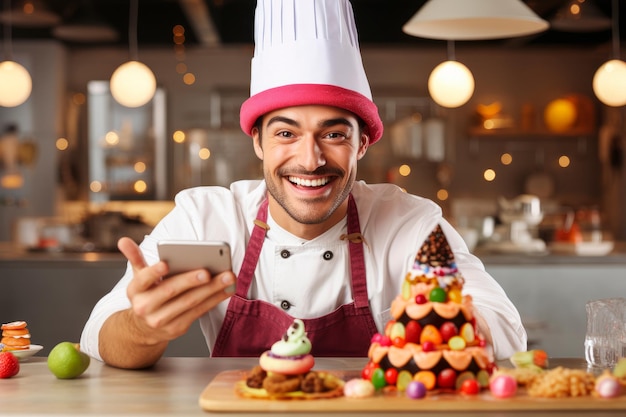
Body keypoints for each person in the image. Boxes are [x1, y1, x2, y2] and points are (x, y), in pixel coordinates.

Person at [80, 0, 527, 369]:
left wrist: (446, 322)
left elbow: (505, 328)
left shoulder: (409, 222)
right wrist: (145, 327)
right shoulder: (206, 218)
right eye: (286, 133)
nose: (310, 159)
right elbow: (98, 336)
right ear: (257, 141)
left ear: (363, 144)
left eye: (333, 134)